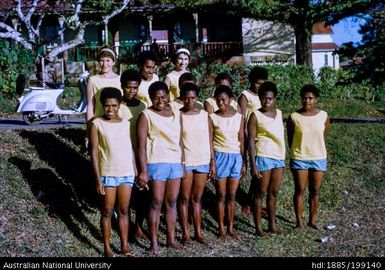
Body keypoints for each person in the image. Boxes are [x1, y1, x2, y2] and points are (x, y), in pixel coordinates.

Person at [136, 81, 185, 254]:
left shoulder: (176, 113)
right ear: (150, 98)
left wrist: (183, 163)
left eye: (163, 97)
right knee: (156, 201)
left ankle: (171, 239)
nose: (160, 100)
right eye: (156, 98)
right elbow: (141, 146)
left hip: (175, 162)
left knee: (171, 202)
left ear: (168, 97)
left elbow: (180, 139)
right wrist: (143, 171)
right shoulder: (145, 115)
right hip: (156, 162)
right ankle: (154, 242)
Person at [89, 87, 137, 257]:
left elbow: (129, 147)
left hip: (126, 173)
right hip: (108, 173)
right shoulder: (96, 124)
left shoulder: (125, 123)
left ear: (120, 105)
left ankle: (124, 246)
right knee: (107, 211)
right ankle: (107, 248)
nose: (111, 109)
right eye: (107, 106)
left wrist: (135, 168)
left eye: (114, 106)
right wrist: (98, 179)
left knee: (124, 210)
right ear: (103, 105)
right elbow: (94, 152)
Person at [286, 84, 330, 231]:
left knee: (315, 190)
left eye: (310, 98)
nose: (307, 101)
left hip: (318, 157)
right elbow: (290, 139)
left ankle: (313, 220)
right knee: (300, 190)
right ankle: (299, 222)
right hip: (300, 158)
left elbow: (323, 136)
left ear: (316, 99)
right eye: (304, 98)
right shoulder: (294, 117)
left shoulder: (324, 116)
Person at [177, 82, 215, 246]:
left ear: (197, 98)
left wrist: (212, 161)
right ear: (182, 98)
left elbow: (210, 139)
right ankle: (185, 234)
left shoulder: (205, 115)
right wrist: (182, 162)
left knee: (197, 198)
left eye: (192, 98)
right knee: (184, 198)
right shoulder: (176, 114)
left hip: (203, 160)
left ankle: (198, 233)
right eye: (186, 98)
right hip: (186, 161)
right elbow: (177, 141)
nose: (189, 101)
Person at [247, 82, 285, 236]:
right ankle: (258, 228)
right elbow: (250, 141)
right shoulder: (255, 115)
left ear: (274, 98)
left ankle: (272, 225)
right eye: (263, 98)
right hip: (263, 156)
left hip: (278, 157)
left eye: (269, 99)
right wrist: (253, 165)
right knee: (260, 193)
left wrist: (283, 159)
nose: (266, 102)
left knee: (273, 193)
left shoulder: (280, 113)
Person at [209, 85, 246, 240]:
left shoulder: (239, 117)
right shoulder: (212, 117)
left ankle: (230, 228)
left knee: (231, 195)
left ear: (231, 100)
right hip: (220, 157)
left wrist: (244, 162)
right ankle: (221, 229)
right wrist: (212, 162)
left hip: (236, 157)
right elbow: (209, 141)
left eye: (224, 100)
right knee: (221, 195)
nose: (221, 103)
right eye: (218, 101)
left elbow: (241, 141)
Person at [119, 69, 148, 240]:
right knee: (126, 195)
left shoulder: (143, 106)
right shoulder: (116, 106)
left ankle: (138, 226)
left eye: (135, 88)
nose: (132, 90)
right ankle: (127, 225)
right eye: (128, 87)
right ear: (122, 87)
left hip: (140, 153)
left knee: (142, 194)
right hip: (122, 155)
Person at [240, 66, 268, 216]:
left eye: (263, 83)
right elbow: (242, 118)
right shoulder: (245, 95)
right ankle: (248, 203)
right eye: (257, 83)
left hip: (261, 139)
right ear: (251, 81)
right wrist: (246, 136)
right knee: (254, 171)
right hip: (249, 138)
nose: (260, 86)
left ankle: (254, 202)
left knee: (260, 173)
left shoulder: (264, 96)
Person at [86, 46, 121, 122]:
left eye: (108, 60)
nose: (104, 64)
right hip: (100, 120)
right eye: (102, 60)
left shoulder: (120, 79)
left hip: (118, 119)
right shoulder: (93, 80)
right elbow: (90, 105)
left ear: (113, 62)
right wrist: (89, 124)